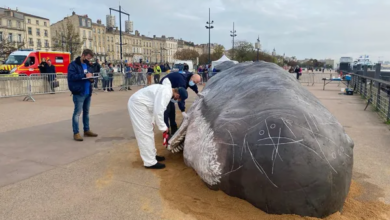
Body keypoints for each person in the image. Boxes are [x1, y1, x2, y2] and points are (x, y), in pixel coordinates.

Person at [128, 79, 188, 169]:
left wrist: (152, 121)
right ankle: (150, 162)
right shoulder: (166, 94)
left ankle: (152, 155)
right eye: (178, 99)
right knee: (145, 134)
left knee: (149, 132)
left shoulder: (167, 90)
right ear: (177, 95)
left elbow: (154, 106)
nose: (176, 100)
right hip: (138, 105)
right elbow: (158, 111)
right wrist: (164, 127)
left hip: (144, 106)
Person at [67, 49, 98, 141]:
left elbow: (90, 76)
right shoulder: (73, 65)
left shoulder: (88, 65)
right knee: (77, 113)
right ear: (83, 55)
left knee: (86, 112)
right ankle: (76, 132)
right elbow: (72, 77)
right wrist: (84, 76)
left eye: (90, 59)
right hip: (79, 92)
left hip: (87, 92)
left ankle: (86, 130)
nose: (89, 60)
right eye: (88, 58)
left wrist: (92, 78)